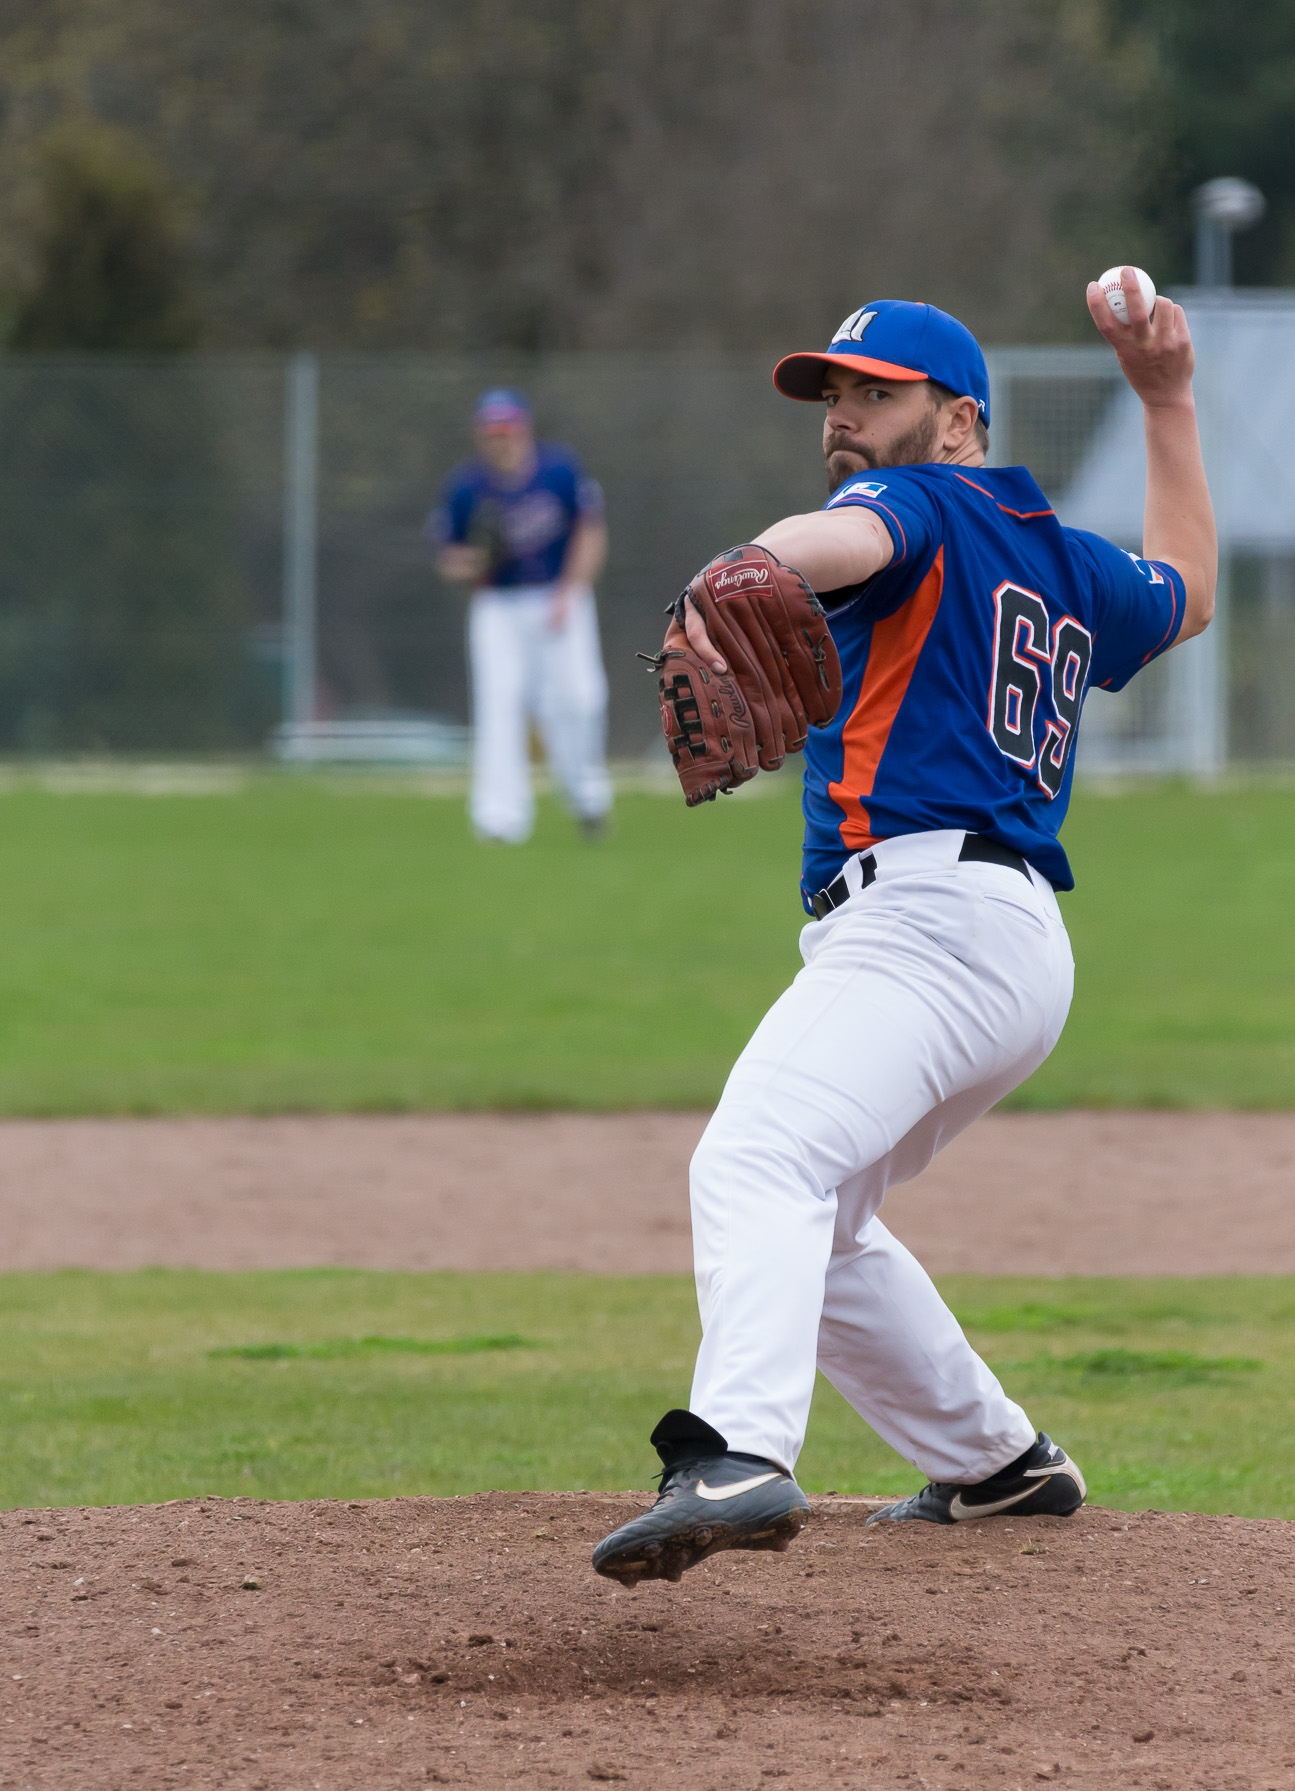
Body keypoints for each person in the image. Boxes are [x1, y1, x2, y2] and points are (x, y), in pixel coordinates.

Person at [593, 277, 1217, 1585]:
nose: (843, 417)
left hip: (923, 922)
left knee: (754, 1164)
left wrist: (743, 572)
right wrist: (1166, 402)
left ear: (957, 421)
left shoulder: (911, 503)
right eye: (833, 395)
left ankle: (739, 1451)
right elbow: (1187, 590)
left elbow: (831, 547)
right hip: (1012, 944)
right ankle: (998, 1465)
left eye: (875, 394)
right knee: (818, 1221)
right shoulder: (1064, 557)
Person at [433, 388, 612, 841]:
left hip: (561, 594)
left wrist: (570, 593)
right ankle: (499, 820)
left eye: (508, 430)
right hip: (500, 605)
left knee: (579, 701)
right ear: (481, 436)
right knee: (499, 705)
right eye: (492, 433)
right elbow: (448, 558)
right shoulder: (466, 486)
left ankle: (587, 798)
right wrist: (476, 559)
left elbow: (589, 532)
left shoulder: (559, 471)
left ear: (524, 429)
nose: (501, 440)